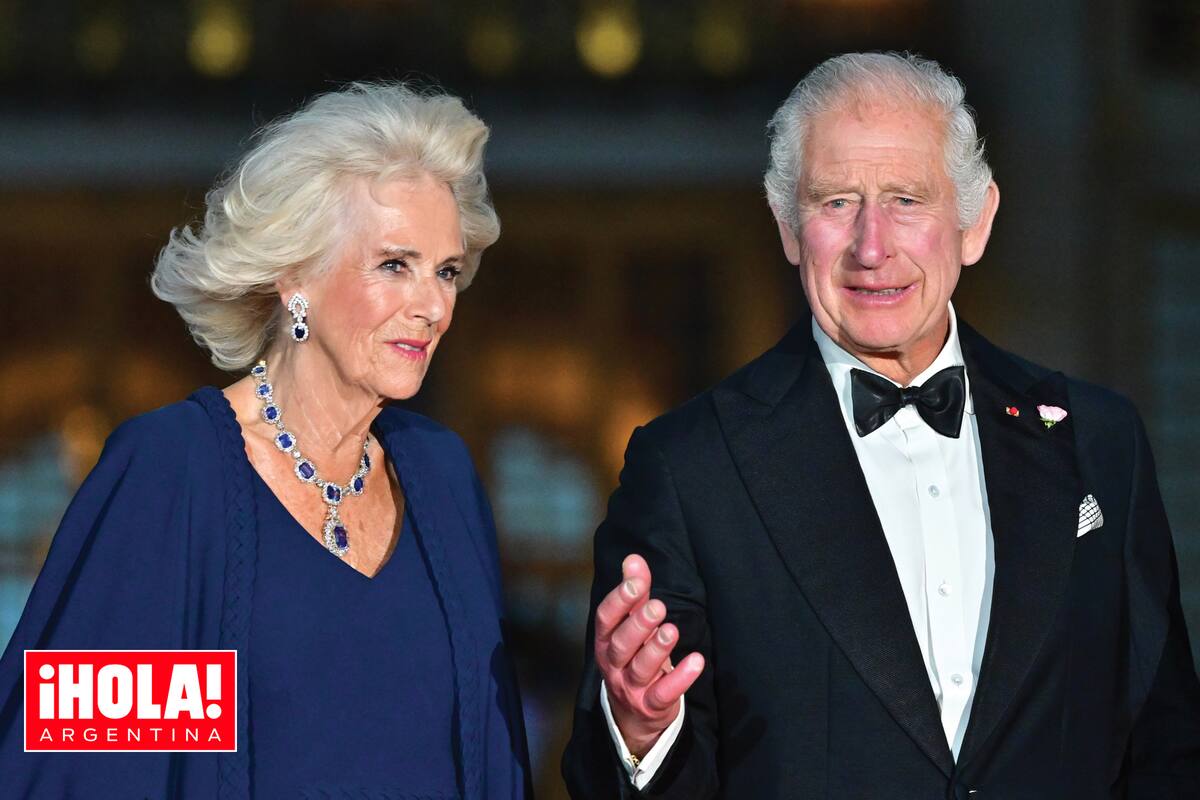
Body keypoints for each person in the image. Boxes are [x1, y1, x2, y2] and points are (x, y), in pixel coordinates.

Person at [562, 52, 1200, 798]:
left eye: (906, 199)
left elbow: (1165, 746)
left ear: (975, 222)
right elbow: (614, 777)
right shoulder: (689, 466)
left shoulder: (1100, 440)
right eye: (837, 202)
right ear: (788, 227)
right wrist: (642, 734)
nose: (872, 247)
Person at [0, 82, 532, 798]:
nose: (434, 305)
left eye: (447, 272)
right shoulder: (173, 473)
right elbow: (72, 770)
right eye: (394, 265)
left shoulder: (442, 475)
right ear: (295, 277)